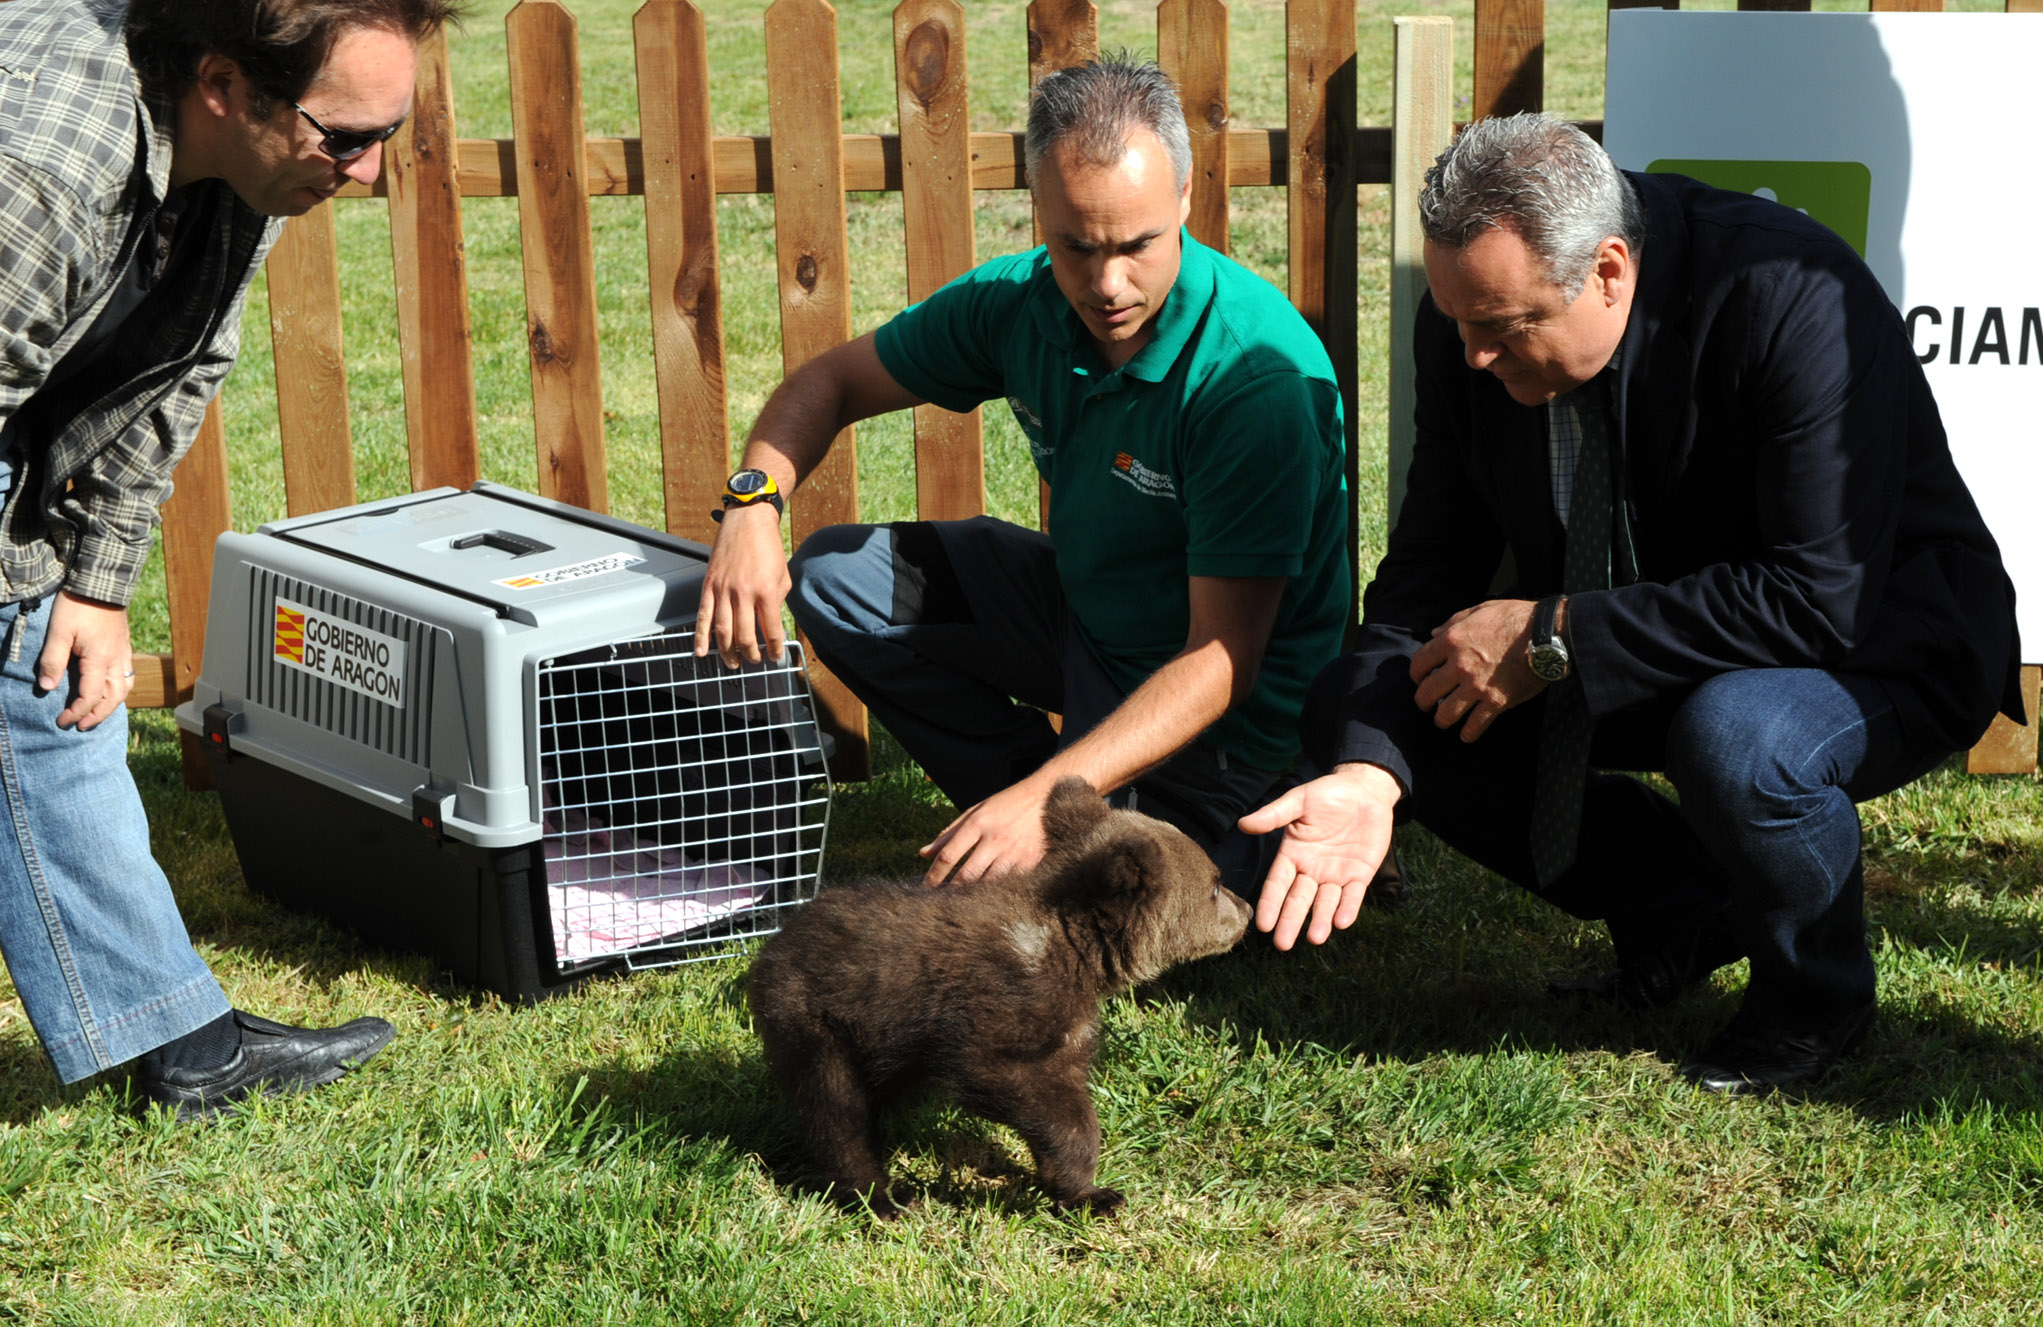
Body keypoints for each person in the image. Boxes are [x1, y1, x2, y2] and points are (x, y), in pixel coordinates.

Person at [1244, 113, 2022, 1095]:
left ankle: (1814, 999)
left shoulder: (1786, 291)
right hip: (1652, 638)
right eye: (1458, 323)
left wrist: (1554, 634)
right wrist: (1367, 769)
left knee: (1737, 737)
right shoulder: (1471, 330)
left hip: (1882, 639)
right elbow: (1430, 566)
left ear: (1608, 271)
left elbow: (1820, 595)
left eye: (1503, 328)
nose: (1473, 356)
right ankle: (1683, 903)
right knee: (1383, 700)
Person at [696, 57, 1350, 889]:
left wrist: (1046, 797)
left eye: (1137, 245)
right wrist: (752, 504)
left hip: (1225, 718)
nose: (1107, 284)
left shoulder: (1254, 380)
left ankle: (1080, 814)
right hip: (1088, 624)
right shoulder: (1017, 304)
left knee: (1178, 910)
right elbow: (829, 382)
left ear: (1185, 199)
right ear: (1037, 211)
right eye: (1075, 246)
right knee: (835, 580)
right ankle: (1039, 806)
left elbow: (1222, 658)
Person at [0, 0, 459, 1120]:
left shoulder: (251, 170)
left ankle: (181, 1046)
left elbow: (179, 372)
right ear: (221, 87)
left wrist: (97, 585)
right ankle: (180, 1043)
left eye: (385, 136)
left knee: (42, 679)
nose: (362, 173)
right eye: (344, 137)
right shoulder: (39, 170)